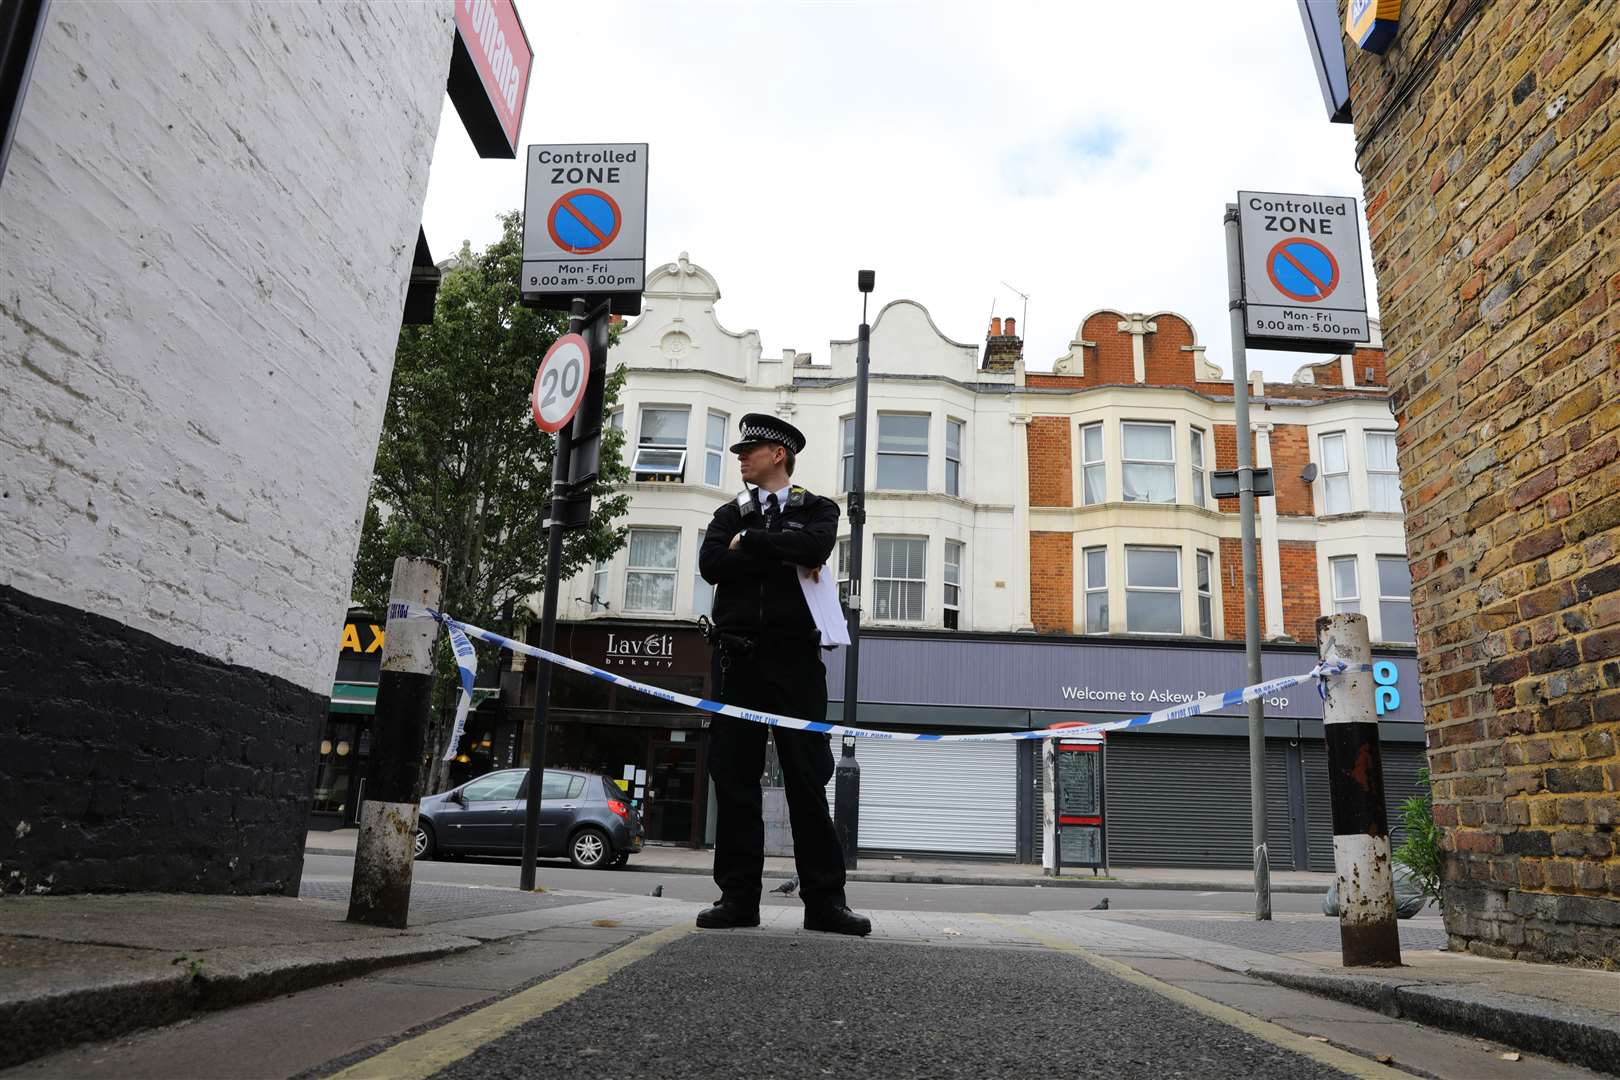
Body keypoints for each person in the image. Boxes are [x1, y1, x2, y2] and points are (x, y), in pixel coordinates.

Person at [696, 413, 871, 936]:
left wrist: (748, 545)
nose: (741, 459)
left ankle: (824, 904)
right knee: (734, 779)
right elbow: (711, 565)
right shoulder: (728, 513)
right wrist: (778, 551)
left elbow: (814, 547)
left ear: (778, 454)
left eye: (749, 450)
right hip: (736, 662)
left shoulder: (817, 509)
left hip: (796, 664)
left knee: (806, 781)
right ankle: (737, 898)